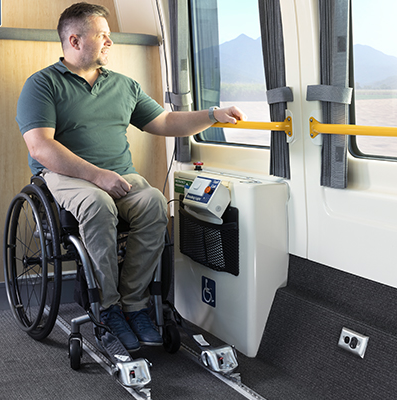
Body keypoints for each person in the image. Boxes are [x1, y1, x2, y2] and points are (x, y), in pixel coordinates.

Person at [16, 2, 245, 352]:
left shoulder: (124, 86)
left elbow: (166, 123)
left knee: (154, 201)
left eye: (109, 37)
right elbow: (41, 147)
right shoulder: (42, 85)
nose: (109, 43)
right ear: (74, 41)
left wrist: (213, 114)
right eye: (103, 36)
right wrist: (98, 176)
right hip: (65, 176)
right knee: (97, 204)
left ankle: (134, 305)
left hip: (119, 177)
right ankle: (107, 309)